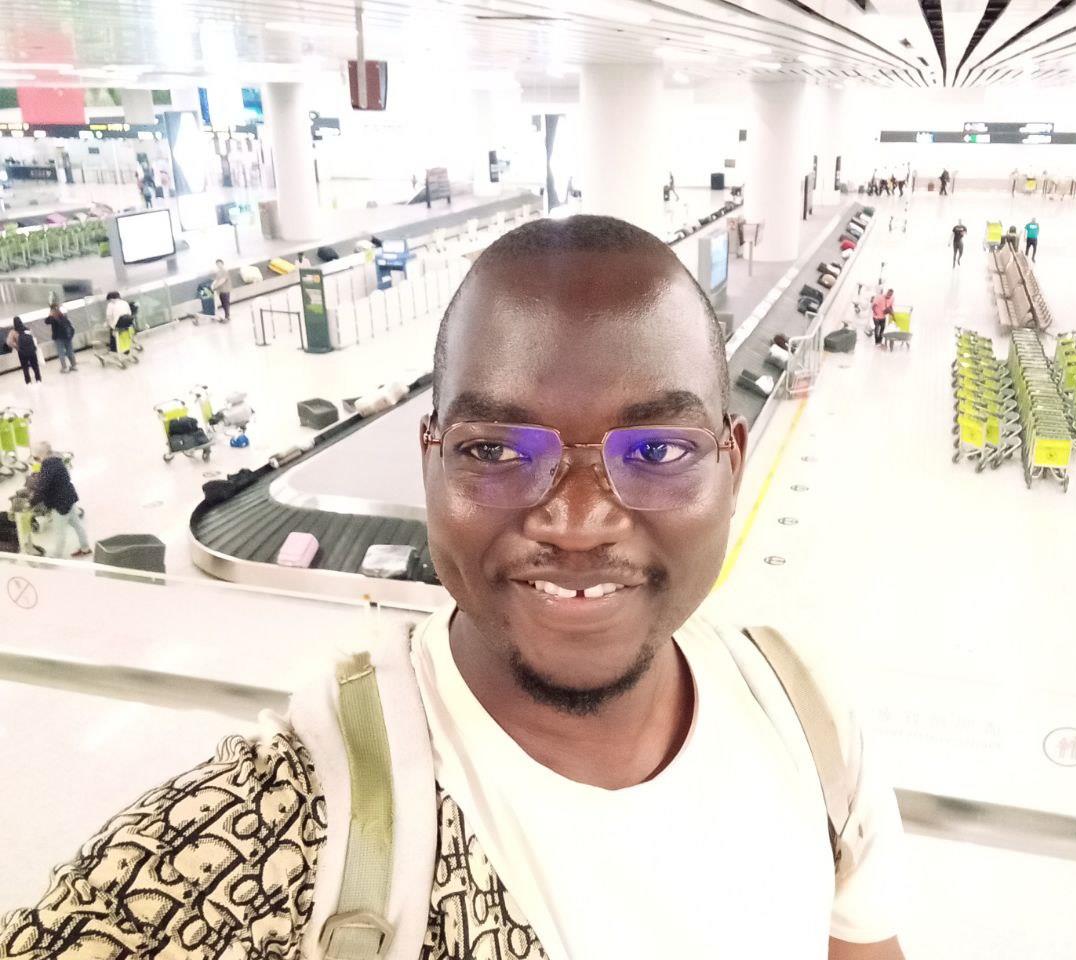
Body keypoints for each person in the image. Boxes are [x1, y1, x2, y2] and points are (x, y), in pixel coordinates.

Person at [0, 215, 907, 960]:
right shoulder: (267, 843)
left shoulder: (808, 722)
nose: (577, 520)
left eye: (658, 449)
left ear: (732, 463)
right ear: (430, 461)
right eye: (497, 450)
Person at [27, 441, 91, 559]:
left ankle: (56, 557)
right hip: (69, 498)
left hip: (60, 504)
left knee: (59, 532)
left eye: (36, 458)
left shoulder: (48, 467)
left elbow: (42, 489)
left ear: (41, 455)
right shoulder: (57, 460)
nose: (36, 460)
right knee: (77, 524)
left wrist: (30, 503)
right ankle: (85, 548)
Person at [45, 303, 78, 372]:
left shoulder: (53, 318)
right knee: (70, 351)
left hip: (58, 338)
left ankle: (64, 368)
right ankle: (74, 366)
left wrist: (50, 314)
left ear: (52, 310)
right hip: (67, 336)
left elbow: (46, 321)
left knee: (61, 353)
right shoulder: (63, 316)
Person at [6, 317, 41, 384]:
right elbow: (33, 338)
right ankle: (38, 380)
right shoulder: (27, 329)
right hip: (31, 350)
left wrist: (17, 346)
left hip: (21, 352)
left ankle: (28, 382)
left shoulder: (13, 332)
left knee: (25, 367)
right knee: (35, 366)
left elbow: (9, 342)